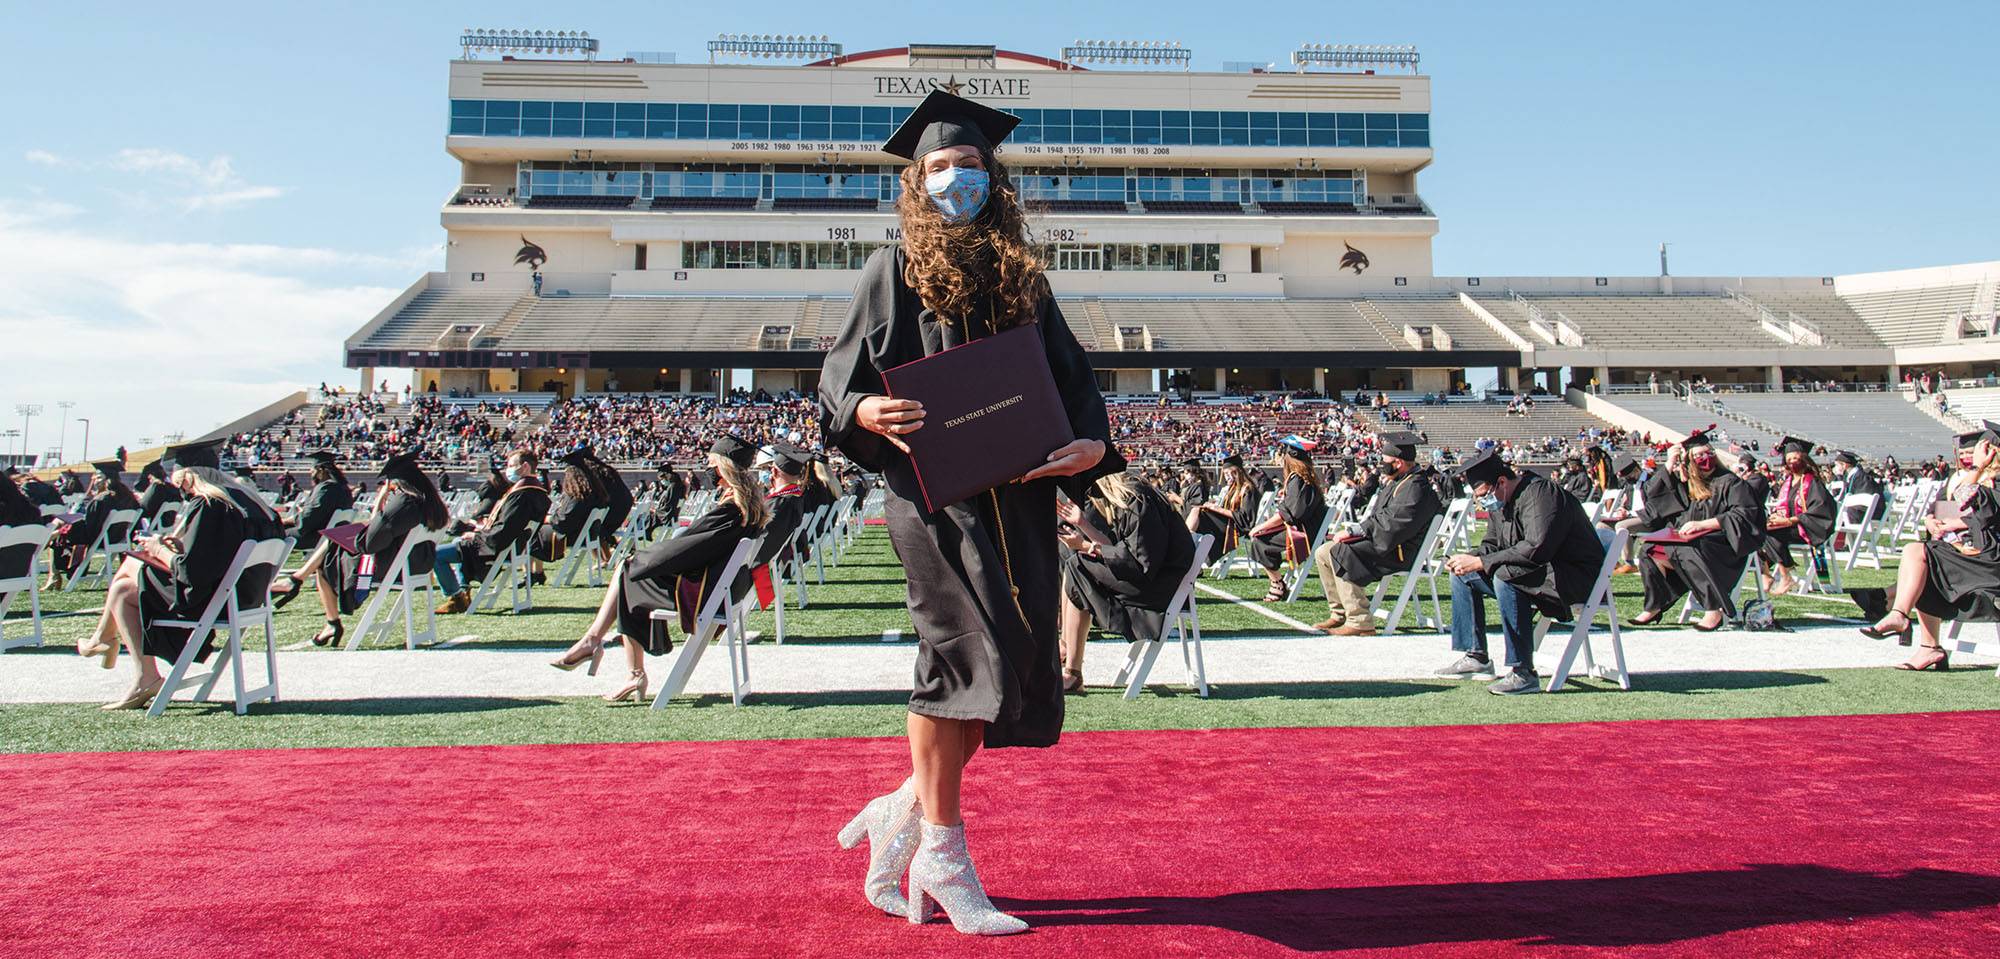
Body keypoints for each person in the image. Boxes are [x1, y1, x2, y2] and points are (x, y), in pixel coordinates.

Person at [816, 90, 1118, 935]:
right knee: (960, 655)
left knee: (1011, 663)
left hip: (1017, 497)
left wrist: (1091, 443)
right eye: (941, 167)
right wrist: (865, 414)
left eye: (972, 166)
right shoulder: (892, 272)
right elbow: (837, 387)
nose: (958, 178)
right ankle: (945, 859)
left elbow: (1073, 383)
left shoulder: (1025, 278)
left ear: (996, 178)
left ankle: (900, 811)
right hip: (933, 497)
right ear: (916, 182)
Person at [549, 437, 767, 696]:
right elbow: (693, 546)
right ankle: (598, 644)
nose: (707, 469)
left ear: (723, 467)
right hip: (722, 589)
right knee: (631, 572)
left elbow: (688, 548)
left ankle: (618, 660)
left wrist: (641, 559)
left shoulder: (731, 510)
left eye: (710, 464)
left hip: (706, 595)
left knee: (630, 574)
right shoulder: (746, 506)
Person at [74, 439, 261, 710]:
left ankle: (134, 667)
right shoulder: (246, 501)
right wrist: (181, 547)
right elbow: (215, 552)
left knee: (122, 588)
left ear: (187, 477)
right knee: (128, 574)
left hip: (214, 600)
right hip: (246, 597)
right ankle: (106, 643)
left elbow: (192, 572)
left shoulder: (208, 505)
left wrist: (158, 549)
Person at [1437, 449, 1606, 695]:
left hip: (1571, 576)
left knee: (1504, 576)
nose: (1483, 501)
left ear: (1502, 482)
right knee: (1464, 574)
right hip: (1539, 573)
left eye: (1484, 494)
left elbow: (1537, 548)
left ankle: (1523, 672)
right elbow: (1492, 545)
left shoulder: (1541, 494)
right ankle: (1476, 656)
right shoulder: (1502, 500)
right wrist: (1470, 558)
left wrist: (1483, 563)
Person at [271, 451, 449, 646]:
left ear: (398, 483)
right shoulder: (430, 502)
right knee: (334, 541)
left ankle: (322, 611)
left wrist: (361, 528)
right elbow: (382, 527)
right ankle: (298, 581)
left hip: (392, 566)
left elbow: (370, 544)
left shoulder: (404, 502)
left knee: (327, 558)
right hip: (418, 563)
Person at [1861, 422, 2000, 669]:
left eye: (1980, 450)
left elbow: (1963, 498)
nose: (1972, 455)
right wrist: (1939, 522)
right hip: (1981, 556)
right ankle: (1903, 619)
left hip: (1991, 565)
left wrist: (1978, 468)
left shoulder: (1994, 483)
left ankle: (1917, 635)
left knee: (1925, 560)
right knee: (1917, 551)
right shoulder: (1988, 482)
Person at [1053, 469, 1196, 692]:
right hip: (1149, 578)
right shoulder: (1129, 499)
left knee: (1077, 566)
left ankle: (1071, 668)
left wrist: (1085, 546)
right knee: (1076, 565)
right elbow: (1115, 550)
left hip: (1160, 589)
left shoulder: (1139, 499)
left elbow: (1140, 562)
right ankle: (1068, 657)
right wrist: (1082, 524)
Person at [1628, 429, 1767, 630]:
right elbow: (1654, 496)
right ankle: (1654, 605)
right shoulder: (1689, 484)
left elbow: (1744, 515)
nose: (1705, 459)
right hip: (1693, 540)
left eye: (1708, 453)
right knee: (1649, 549)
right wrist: (1669, 463)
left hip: (1723, 543)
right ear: (1689, 461)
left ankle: (1714, 609)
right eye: (1699, 455)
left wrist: (1703, 525)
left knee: (1684, 550)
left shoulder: (1730, 482)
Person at [1311, 432, 1443, 635]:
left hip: (1399, 551)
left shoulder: (1415, 487)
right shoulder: (1401, 482)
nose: (1383, 465)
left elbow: (1394, 524)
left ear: (1398, 463)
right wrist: (1356, 531)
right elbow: (1381, 518)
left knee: (1340, 550)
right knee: (1323, 552)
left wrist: (1358, 531)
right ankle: (1340, 614)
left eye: (1386, 461)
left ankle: (1360, 621)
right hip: (1387, 543)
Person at [433, 448, 551, 613]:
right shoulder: (538, 493)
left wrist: (476, 534)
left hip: (501, 548)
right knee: (457, 541)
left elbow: (503, 531)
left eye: (511, 465)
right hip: (516, 548)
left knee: (436, 554)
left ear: (525, 467)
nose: (508, 470)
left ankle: (456, 596)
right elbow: (510, 525)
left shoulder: (521, 495)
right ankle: (463, 591)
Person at [1245, 438, 1327, 602]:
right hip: (1310, 529)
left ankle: (1277, 584)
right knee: (1263, 536)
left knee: (1259, 540)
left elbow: (1289, 513)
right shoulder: (1307, 478)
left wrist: (1260, 527)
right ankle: (1278, 582)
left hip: (1303, 533)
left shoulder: (1297, 479)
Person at [46, 459, 141, 589]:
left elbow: (90, 528)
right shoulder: (129, 498)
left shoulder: (101, 499)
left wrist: (67, 527)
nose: (95, 480)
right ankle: (53, 574)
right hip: (118, 538)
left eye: (99, 477)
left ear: (107, 479)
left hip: (99, 539)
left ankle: (54, 576)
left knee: (58, 533)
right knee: (61, 526)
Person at [1759, 437, 1836, 596]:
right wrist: (1776, 519)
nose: (1792, 461)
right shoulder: (1788, 482)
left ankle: (1786, 575)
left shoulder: (1812, 481)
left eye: (1795, 457)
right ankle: (1766, 574)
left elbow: (1821, 511)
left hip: (1808, 529)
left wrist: (1789, 521)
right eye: (1789, 459)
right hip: (1788, 528)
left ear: (1804, 459)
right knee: (1758, 530)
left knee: (1770, 534)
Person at [533, 447, 611, 567]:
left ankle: (536, 571)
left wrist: (548, 519)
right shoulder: (595, 488)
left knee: (532, 533)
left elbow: (563, 521)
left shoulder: (577, 494)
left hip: (575, 535)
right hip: (589, 534)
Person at [283, 450, 354, 551]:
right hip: (333, 535)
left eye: (312, 469)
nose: (310, 471)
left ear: (320, 470)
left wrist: (288, 520)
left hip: (317, 537)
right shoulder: (343, 488)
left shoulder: (326, 488)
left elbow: (307, 520)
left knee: (274, 534)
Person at [1187, 453, 1255, 554]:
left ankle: (1186, 543)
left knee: (1197, 511)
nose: (1226, 478)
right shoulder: (1235, 488)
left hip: (1235, 528)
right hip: (1227, 523)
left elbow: (1244, 518)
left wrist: (1216, 508)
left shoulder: (1247, 489)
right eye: (1225, 474)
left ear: (1236, 472)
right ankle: (1187, 541)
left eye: (1228, 474)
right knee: (1197, 510)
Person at [1832, 451, 1887, 526]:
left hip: (1870, 513)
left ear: (1844, 465)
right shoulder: (1851, 476)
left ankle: (1840, 537)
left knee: (1836, 515)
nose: (1835, 468)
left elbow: (1865, 500)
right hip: (1857, 512)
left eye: (1837, 465)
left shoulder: (1862, 478)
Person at [134, 460, 182, 527]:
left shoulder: (156, 487)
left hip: (155, 526)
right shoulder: (173, 488)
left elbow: (144, 510)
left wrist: (139, 501)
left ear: (150, 476)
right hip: (168, 524)